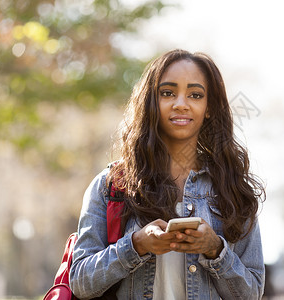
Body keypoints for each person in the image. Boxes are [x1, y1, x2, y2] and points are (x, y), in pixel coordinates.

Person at [69, 49, 266, 299]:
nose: (181, 104)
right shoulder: (112, 186)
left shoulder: (233, 189)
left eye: (195, 95)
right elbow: (80, 283)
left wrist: (215, 250)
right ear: (152, 102)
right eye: (167, 93)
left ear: (209, 108)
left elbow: (251, 293)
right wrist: (136, 245)